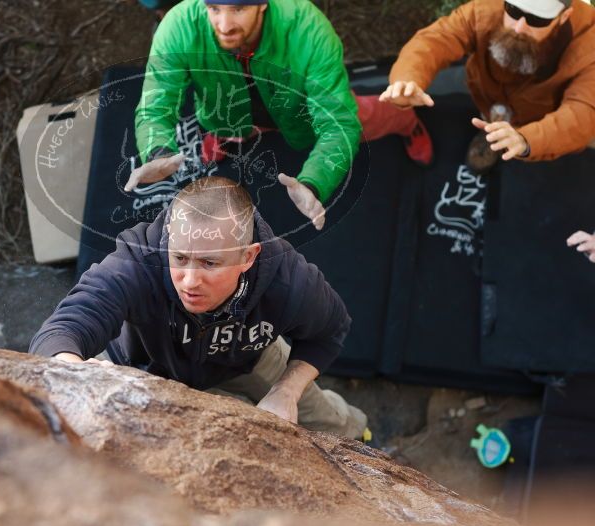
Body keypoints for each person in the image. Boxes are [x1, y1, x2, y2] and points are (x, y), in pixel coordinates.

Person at [30, 176, 368, 438]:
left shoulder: (288, 278)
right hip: (143, 363)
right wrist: (74, 372)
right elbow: (64, 328)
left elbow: (330, 330)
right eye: (180, 258)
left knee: (331, 423)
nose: (190, 281)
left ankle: (367, 440)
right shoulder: (140, 260)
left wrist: (286, 392)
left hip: (247, 359)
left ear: (247, 257)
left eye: (209, 263)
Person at [127, 0, 433, 232]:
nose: (224, 24)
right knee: (222, 127)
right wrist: (157, 150)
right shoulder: (179, 25)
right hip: (227, 113)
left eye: (239, 9)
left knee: (364, 118)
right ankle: (225, 134)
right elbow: (156, 101)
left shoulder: (308, 28)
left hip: (301, 114)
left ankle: (406, 121)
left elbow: (337, 123)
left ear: (262, 5)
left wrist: (314, 182)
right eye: (214, 8)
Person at [379, 0, 595, 173]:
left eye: (536, 19)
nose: (519, 27)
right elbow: (437, 39)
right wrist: (408, 78)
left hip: (540, 117)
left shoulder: (589, 42)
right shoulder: (484, 8)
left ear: (563, 16)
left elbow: (583, 112)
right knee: (489, 123)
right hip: (486, 97)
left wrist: (528, 140)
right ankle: (492, 136)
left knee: (540, 146)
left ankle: (513, 145)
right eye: (513, 9)